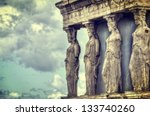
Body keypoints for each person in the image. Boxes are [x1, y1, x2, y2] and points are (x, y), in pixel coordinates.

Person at [129, 10, 150, 91]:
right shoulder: (137, 29)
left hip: (142, 51)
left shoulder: (146, 29)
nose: (136, 20)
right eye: (135, 18)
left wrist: (147, 55)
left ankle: (143, 87)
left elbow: (148, 42)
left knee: (142, 69)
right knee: (132, 67)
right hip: (135, 51)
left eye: (137, 18)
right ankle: (137, 86)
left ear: (142, 18)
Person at [102, 15, 122, 94]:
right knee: (104, 73)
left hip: (114, 57)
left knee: (113, 73)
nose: (108, 27)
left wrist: (115, 56)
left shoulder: (117, 36)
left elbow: (118, 48)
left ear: (113, 25)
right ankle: (109, 88)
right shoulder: (110, 36)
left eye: (109, 25)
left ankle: (113, 89)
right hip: (108, 56)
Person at [84, 22, 100, 95]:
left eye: (89, 31)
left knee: (91, 75)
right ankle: (88, 90)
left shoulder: (96, 41)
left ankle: (92, 91)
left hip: (92, 60)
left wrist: (91, 57)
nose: (88, 33)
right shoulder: (88, 41)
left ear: (92, 31)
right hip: (87, 60)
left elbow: (97, 52)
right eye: (87, 32)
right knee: (87, 75)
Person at [65, 27, 80, 97]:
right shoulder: (71, 46)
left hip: (72, 64)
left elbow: (76, 56)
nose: (68, 38)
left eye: (69, 36)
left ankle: (73, 93)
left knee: (72, 77)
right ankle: (70, 93)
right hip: (68, 64)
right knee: (68, 77)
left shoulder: (76, 45)